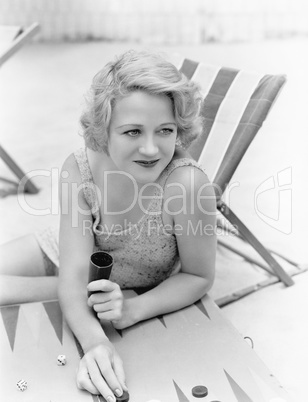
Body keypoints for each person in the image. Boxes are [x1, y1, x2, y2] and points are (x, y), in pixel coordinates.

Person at [0, 50, 217, 401]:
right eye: (132, 131)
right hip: (60, 252)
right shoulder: (81, 167)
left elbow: (199, 276)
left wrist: (133, 308)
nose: (151, 148)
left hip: (110, 287)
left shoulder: (186, 186)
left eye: (165, 130)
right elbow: (73, 273)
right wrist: (96, 342)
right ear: (104, 131)